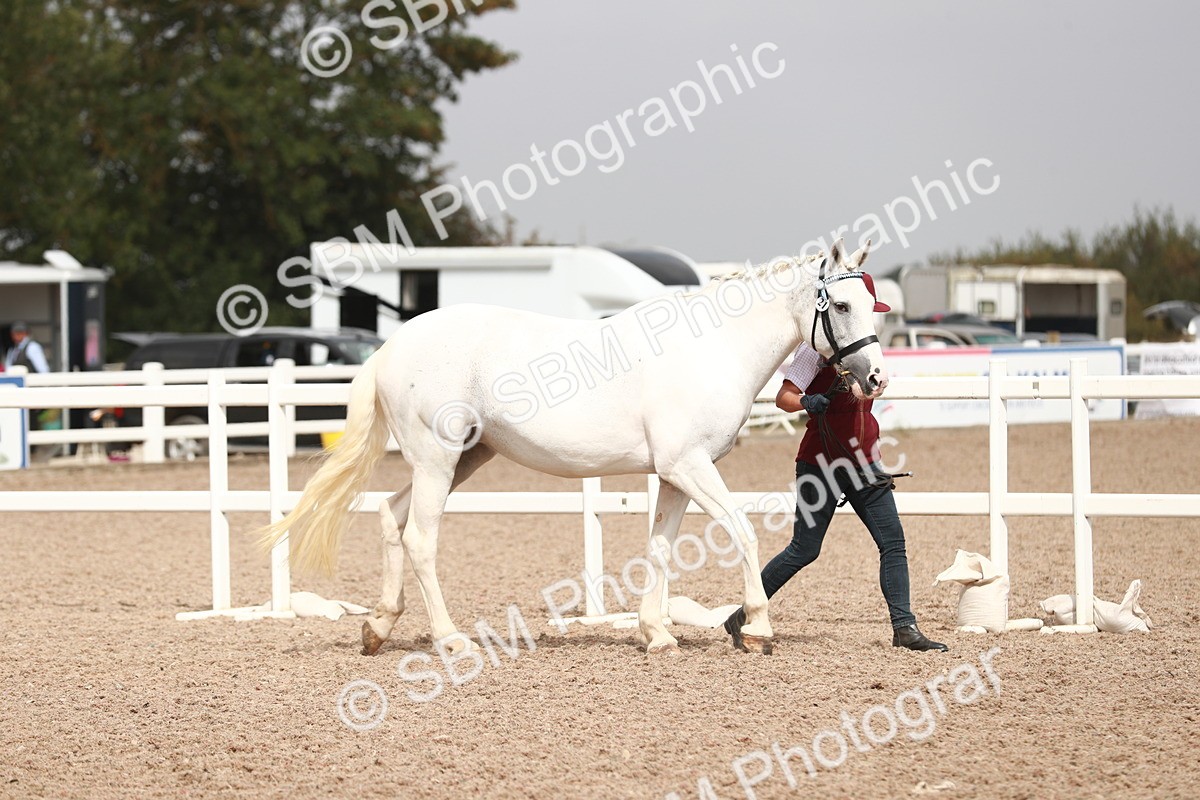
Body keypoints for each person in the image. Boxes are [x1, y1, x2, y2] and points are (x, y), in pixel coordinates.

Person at [725, 279, 948, 653]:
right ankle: (742, 615)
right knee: (804, 550)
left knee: (893, 543)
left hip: (864, 462)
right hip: (819, 464)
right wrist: (809, 401)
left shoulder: (867, 350)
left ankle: (904, 628)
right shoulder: (815, 352)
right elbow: (784, 398)